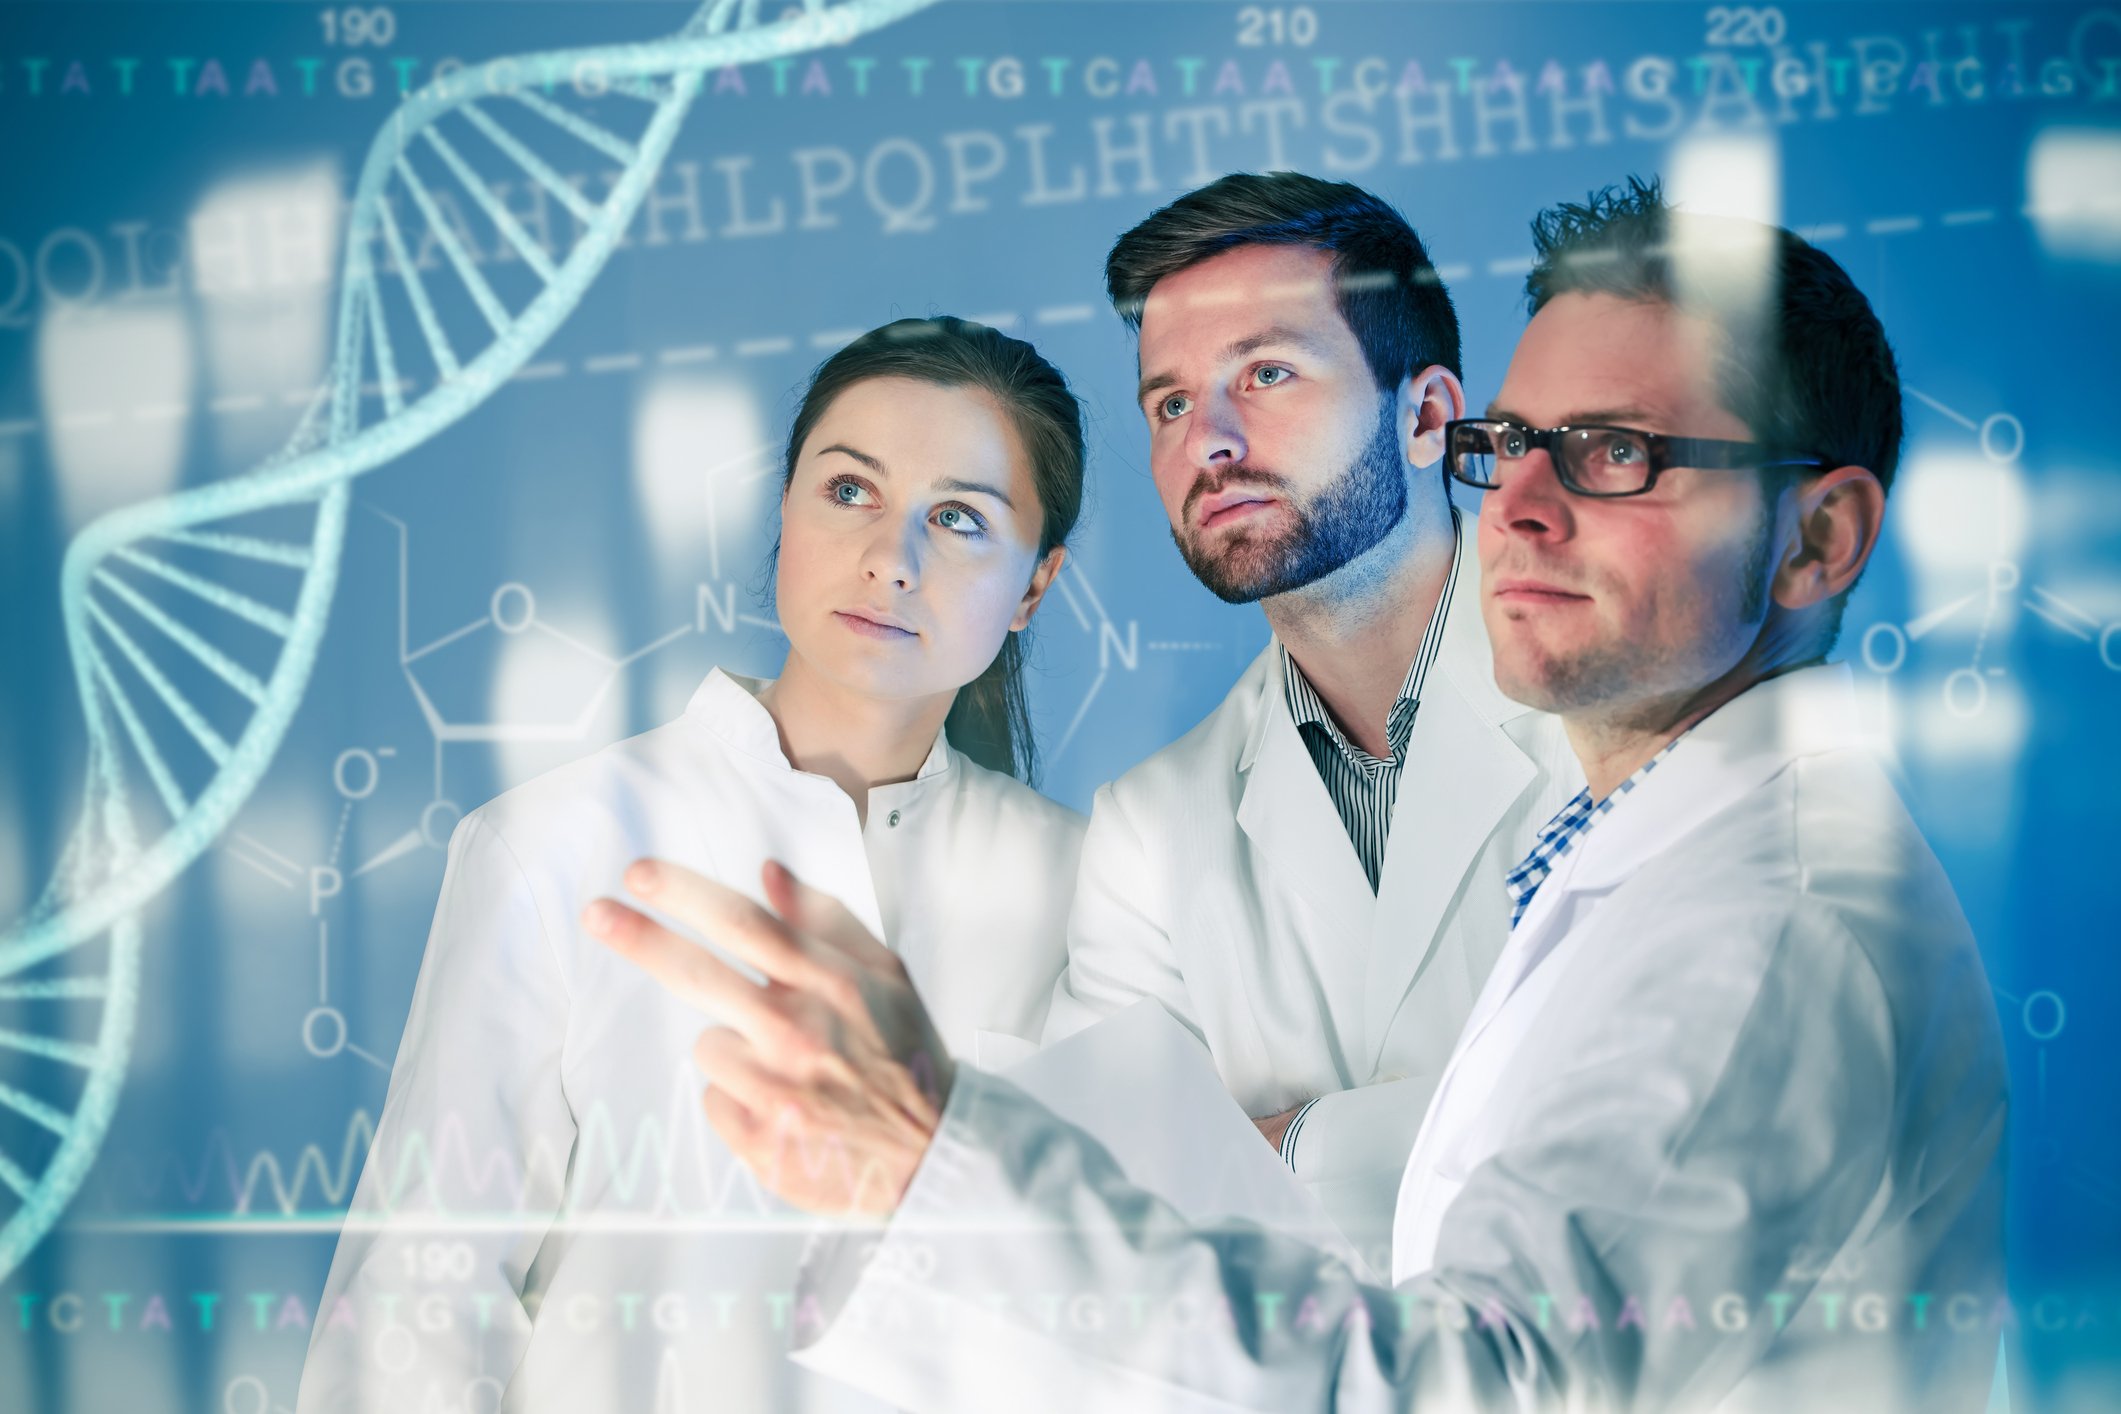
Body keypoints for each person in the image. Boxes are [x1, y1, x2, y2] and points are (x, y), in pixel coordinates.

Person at [591, 180, 2010, 1413]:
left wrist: (937, 1167)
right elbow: (1194, 1208)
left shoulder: (1769, 927)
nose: (1520, 502)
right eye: (1516, 449)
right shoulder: (1630, 847)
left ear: (1818, 537)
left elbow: (1461, 1379)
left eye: (1613, 453)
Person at [296, 316, 1091, 1413]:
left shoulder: (1081, 888)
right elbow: (422, 1306)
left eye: (957, 519)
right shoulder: (565, 842)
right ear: (785, 512)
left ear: (1035, 587)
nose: (888, 559)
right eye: (849, 490)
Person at [1045, 172, 1582, 1260]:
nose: (1211, 439)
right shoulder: (1148, 833)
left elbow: (1636, 1129)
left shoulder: (1631, 705)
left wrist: (1290, 1149)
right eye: (1171, 402)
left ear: (1428, 414)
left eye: (1268, 371)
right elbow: (1111, 1230)